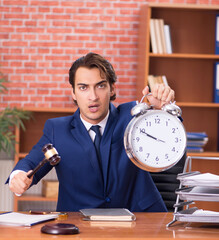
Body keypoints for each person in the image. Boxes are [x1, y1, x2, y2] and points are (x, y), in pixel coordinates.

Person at [7, 52, 174, 212]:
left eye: (100, 86)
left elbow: (171, 135)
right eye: (83, 87)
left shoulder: (134, 116)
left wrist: (165, 107)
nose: (93, 96)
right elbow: (30, 163)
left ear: (112, 89)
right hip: (79, 224)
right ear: (73, 92)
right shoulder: (57, 130)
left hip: (140, 219)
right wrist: (18, 177)